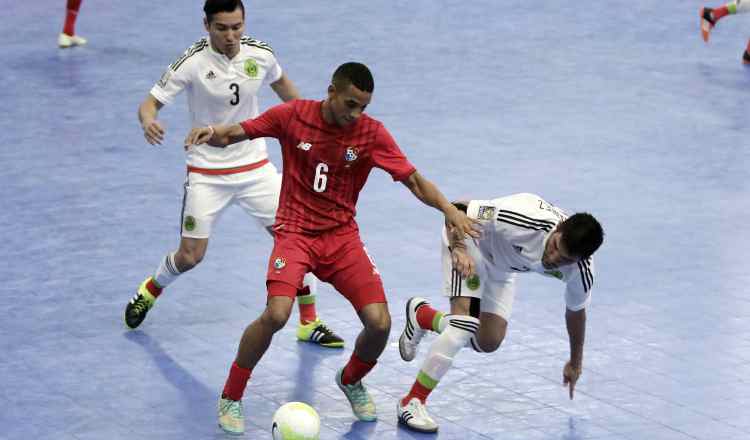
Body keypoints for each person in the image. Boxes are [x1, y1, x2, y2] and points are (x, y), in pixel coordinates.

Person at [184, 62, 480, 435]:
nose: (356, 114)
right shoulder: (293, 116)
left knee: (380, 324)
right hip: (295, 233)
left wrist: (450, 210)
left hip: (341, 238)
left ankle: (352, 379)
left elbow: (415, 181)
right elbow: (236, 132)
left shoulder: (371, 134)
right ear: (331, 91)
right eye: (351, 104)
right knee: (276, 314)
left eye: (363, 107)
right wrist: (211, 131)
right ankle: (231, 394)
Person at [124, 0, 344, 350]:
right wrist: (149, 120)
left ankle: (308, 321)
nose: (231, 36)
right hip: (207, 172)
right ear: (206, 26)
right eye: (222, 28)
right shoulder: (191, 62)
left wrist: (315, 130)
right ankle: (152, 288)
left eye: (237, 27)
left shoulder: (260, 55)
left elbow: (290, 94)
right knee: (190, 256)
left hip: (256, 168)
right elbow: (149, 103)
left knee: (298, 240)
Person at [396, 193, 604, 433]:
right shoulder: (520, 218)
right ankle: (412, 401)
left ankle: (422, 316)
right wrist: (459, 248)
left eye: (564, 260)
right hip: (469, 241)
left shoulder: (582, 271)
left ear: (580, 260)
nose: (553, 259)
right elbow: (457, 209)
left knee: (488, 340)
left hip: (503, 268)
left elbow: (576, 312)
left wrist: (576, 362)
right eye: (555, 246)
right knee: (462, 327)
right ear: (557, 228)